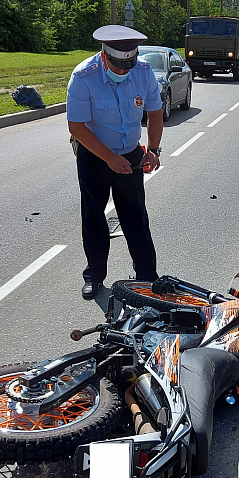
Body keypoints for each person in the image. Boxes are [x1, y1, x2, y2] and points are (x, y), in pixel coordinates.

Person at [67, 25, 163, 300]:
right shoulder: (84, 76)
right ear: (104, 56)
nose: (123, 71)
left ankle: (146, 277)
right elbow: (76, 125)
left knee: (135, 216)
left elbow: (155, 113)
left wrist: (153, 150)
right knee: (94, 216)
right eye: (118, 65)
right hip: (95, 155)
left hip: (131, 153)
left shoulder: (142, 71)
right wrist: (109, 158)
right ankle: (94, 276)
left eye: (128, 65)